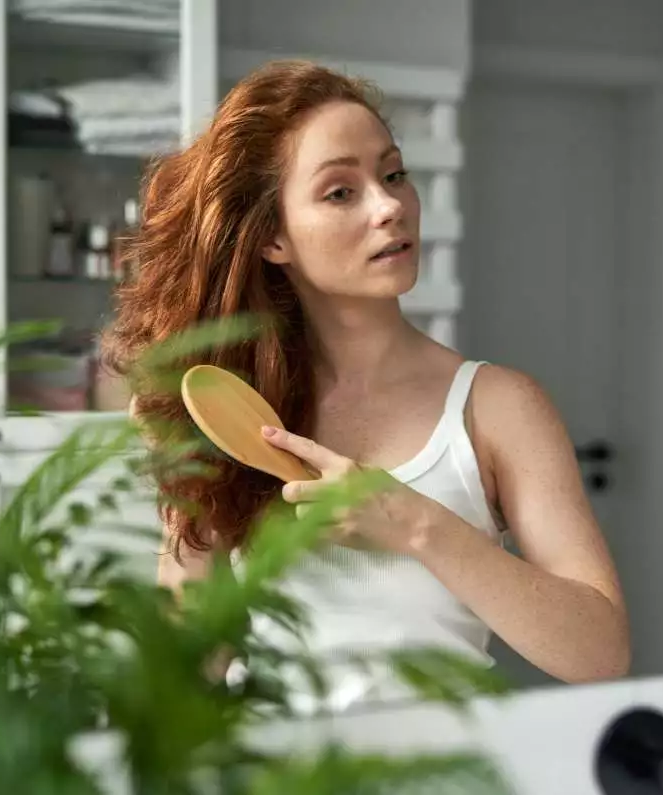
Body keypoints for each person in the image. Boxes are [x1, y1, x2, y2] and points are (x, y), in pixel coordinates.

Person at [101, 59, 629, 713]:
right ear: (272, 238)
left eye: (393, 174)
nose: (389, 207)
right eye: (340, 192)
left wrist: (415, 523)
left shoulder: (496, 408)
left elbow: (600, 653)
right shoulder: (236, 409)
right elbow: (187, 674)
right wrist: (186, 493)